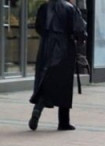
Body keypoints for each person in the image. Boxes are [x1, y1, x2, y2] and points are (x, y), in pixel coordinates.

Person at [28, 0, 86, 131]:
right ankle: (63, 121)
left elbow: (38, 27)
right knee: (64, 84)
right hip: (64, 48)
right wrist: (80, 40)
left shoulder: (44, 7)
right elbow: (79, 30)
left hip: (46, 47)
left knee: (46, 78)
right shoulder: (70, 8)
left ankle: (39, 104)